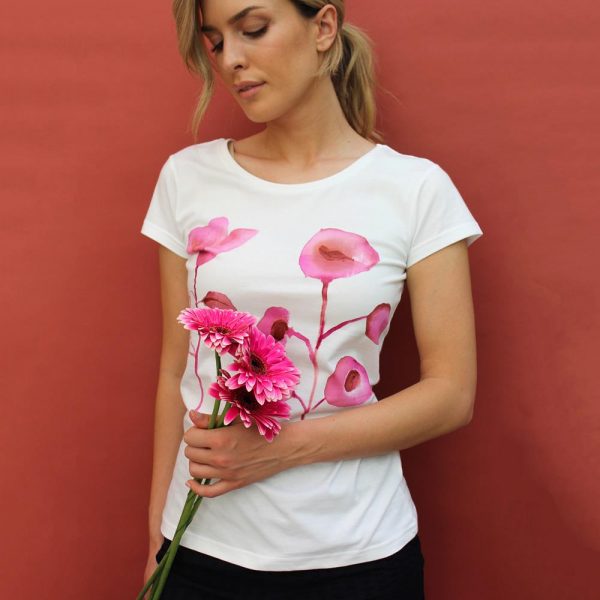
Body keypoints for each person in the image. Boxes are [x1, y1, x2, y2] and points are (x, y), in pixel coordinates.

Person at [140, 1, 483, 598]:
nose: (231, 59)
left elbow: (451, 395)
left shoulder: (415, 189)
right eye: (216, 42)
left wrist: (282, 451)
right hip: (199, 549)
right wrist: (156, 541)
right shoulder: (187, 177)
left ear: (323, 27)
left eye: (253, 29)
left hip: (359, 557)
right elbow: (178, 369)